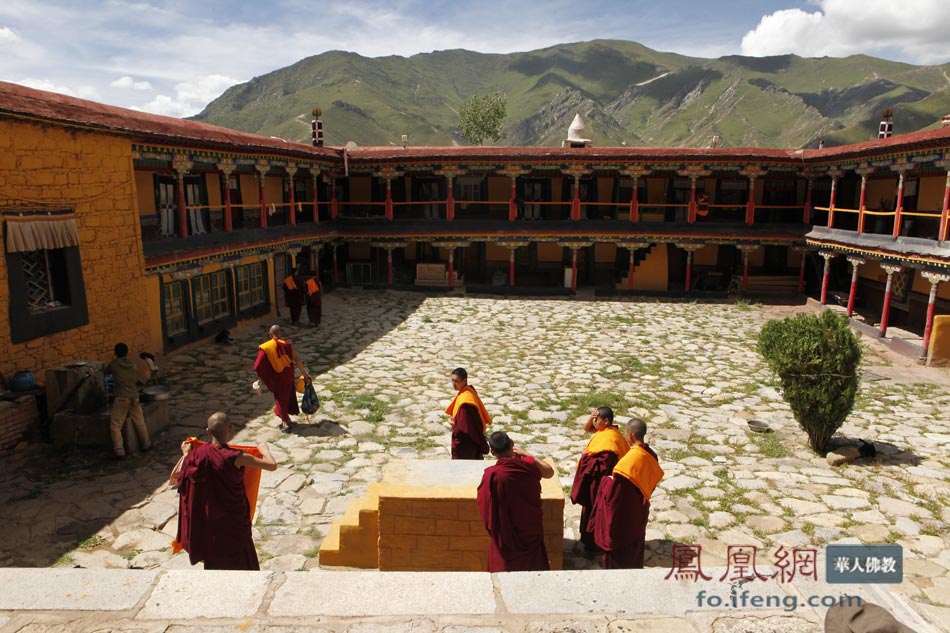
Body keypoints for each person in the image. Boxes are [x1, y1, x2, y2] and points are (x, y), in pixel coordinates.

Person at [172, 412, 277, 570]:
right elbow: (272, 465)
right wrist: (264, 450)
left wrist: (186, 455)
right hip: (233, 521)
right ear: (231, 429)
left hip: (211, 521)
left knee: (215, 560)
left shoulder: (198, 455)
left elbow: (175, 477)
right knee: (241, 558)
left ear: (208, 431)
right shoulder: (237, 457)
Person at [589, 418, 664, 569]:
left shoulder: (628, 461)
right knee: (636, 537)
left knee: (620, 542)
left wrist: (606, 481)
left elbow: (615, 493)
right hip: (641, 505)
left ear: (630, 435)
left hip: (624, 511)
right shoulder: (651, 454)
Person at [477, 431, 555, 572]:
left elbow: (484, 505)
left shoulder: (492, 475)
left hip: (505, 533)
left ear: (492, 452)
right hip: (529, 527)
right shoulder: (526, 464)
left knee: (503, 569)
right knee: (533, 567)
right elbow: (549, 472)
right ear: (512, 443)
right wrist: (528, 455)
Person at [570, 406, 629, 551]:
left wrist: (585, 457)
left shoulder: (610, 440)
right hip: (597, 480)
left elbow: (600, 466)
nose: (594, 422)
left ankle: (595, 543)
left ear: (606, 421)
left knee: (597, 512)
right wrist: (592, 417)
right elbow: (587, 428)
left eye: (597, 419)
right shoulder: (605, 431)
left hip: (600, 484)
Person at [253, 325, 310, 433]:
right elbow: (297, 359)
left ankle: (284, 422)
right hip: (288, 374)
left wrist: (260, 377)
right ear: (280, 334)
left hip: (277, 375)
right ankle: (286, 418)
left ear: (270, 335)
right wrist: (304, 374)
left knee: (281, 397)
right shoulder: (287, 345)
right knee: (285, 395)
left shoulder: (266, 347)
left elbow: (257, 365)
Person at [106, 342, 151, 459]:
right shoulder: (133, 365)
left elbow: (105, 373)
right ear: (127, 352)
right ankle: (146, 444)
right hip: (134, 396)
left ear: (115, 353)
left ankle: (119, 451)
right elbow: (138, 379)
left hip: (121, 398)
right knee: (139, 422)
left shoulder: (113, 365)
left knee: (115, 425)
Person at [444, 367, 491, 459]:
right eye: (452, 381)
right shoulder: (468, 391)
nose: (454, 384)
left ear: (464, 380)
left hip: (466, 443)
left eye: (456, 381)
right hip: (470, 441)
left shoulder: (466, 401)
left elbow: (464, 427)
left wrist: (454, 424)